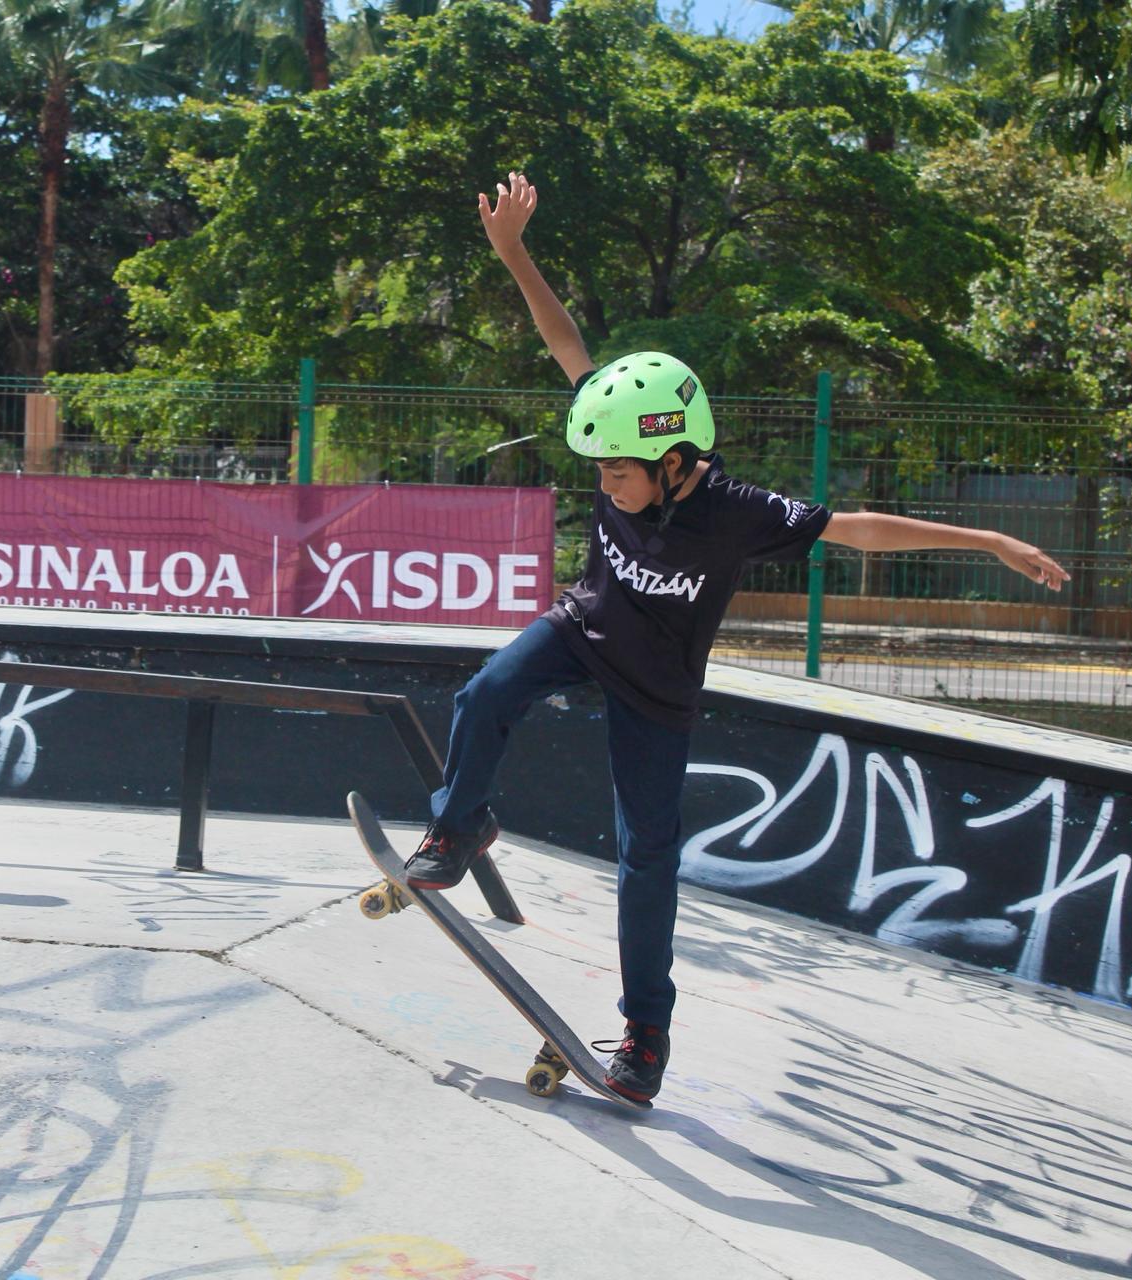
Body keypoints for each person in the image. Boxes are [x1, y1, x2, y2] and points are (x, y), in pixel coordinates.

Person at [404, 172, 1071, 1103]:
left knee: (647, 858)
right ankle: (460, 824)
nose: (605, 486)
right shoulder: (622, 428)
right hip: (583, 628)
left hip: (658, 690)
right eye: (599, 470)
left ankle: (644, 1036)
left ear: (674, 461)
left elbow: (858, 529)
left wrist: (987, 540)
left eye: (619, 474)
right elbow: (567, 344)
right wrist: (513, 252)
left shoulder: (736, 512)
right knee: (485, 693)